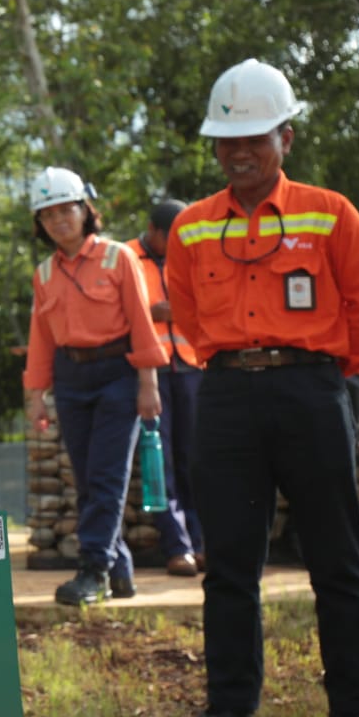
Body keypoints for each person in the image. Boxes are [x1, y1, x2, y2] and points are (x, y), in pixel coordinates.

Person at [167, 59, 359, 717]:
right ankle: (231, 706)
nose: (240, 153)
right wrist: (232, 360)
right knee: (231, 564)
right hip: (229, 397)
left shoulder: (329, 213)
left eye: (256, 139)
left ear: (286, 139)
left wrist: (335, 370)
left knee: (337, 559)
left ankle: (355, 711)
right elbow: (185, 312)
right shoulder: (193, 228)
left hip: (311, 393)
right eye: (227, 141)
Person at [22, 167, 166, 607]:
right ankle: (118, 568)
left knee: (106, 476)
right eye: (48, 215)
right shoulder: (44, 273)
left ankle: (93, 571)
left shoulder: (117, 257)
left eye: (67, 209)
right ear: (40, 225)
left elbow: (142, 325)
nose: (59, 221)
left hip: (117, 376)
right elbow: (41, 339)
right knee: (87, 480)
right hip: (71, 379)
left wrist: (148, 384)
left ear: (86, 210)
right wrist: (36, 395)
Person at [125, 199, 203, 576]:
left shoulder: (194, 254)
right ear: (154, 232)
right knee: (161, 461)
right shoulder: (125, 256)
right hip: (150, 372)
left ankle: (203, 544)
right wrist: (150, 313)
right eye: (173, 238)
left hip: (191, 369)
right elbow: (114, 310)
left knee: (197, 459)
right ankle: (178, 547)